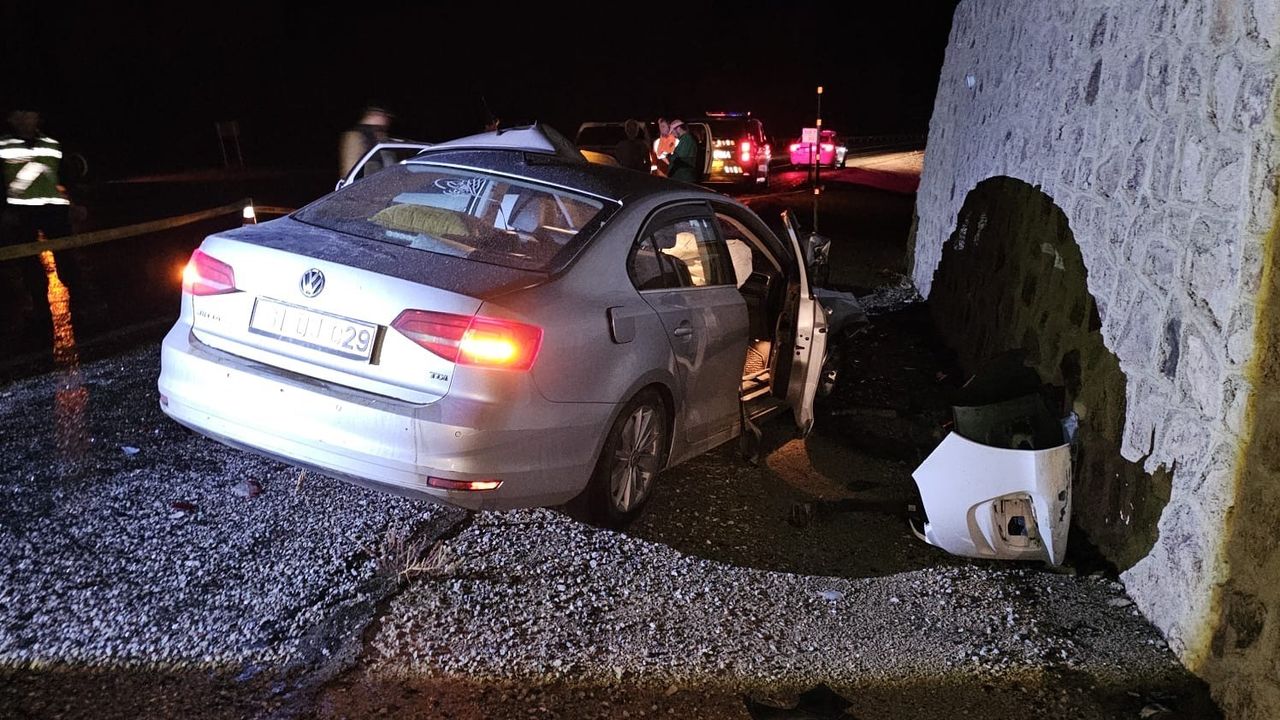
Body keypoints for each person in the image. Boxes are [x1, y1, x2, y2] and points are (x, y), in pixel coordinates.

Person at [1, 108, 71, 246]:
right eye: (20, 115)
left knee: (64, 252)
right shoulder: (3, 144)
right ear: (11, 119)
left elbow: (64, 176)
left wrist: (73, 205)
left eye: (29, 114)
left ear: (37, 118)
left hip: (55, 210)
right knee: (26, 255)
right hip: (20, 212)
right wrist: (4, 210)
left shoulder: (52, 144)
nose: (24, 119)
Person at [338, 104, 392, 178]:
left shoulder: (380, 135)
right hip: (367, 182)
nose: (387, 120)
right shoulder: (355, 136)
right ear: (373, 114)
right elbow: (350, 169)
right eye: (385, 116)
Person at [665, 119, 699, 183]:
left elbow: (678, 158)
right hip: (681, 177)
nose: (673, 134)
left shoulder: (686, 139)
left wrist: (669, 156)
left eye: (673, 131)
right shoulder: (683, 139)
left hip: (683, 178)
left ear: (678, 128)